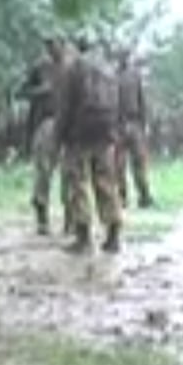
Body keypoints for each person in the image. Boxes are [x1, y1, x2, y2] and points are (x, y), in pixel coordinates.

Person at [55, 37, 124, 254]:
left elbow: (65, 106)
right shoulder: (109, 69)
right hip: (105, 133)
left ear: (78, 47)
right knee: (107, 182)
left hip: (79, 135)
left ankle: (83, 237)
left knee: (78, 184)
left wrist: (59, 135)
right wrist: (115, 132)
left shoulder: (73, 68)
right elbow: (118, 103)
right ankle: (113, 235)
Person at [16, 36, 74, 235]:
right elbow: (21, 92)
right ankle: (42, 219)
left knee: (70, 173)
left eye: (53, 43)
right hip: (46, 123)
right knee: (43, 172)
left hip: (69, 125)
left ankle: (71, 219)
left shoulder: (73, 67)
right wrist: (40, 91)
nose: (50, 48)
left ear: (63, 44)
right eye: (47, 44)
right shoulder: (40, 67)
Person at [114, 49, 155, 208]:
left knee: (140, 162)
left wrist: (145, 124)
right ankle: (122, 197)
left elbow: (142, 100)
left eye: (125, 55)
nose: (123, 58)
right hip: (118, 124)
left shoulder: (135, 75)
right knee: (119, 165)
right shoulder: (112, 75)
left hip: (135, 122)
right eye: (120, 55)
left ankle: (144, 196)